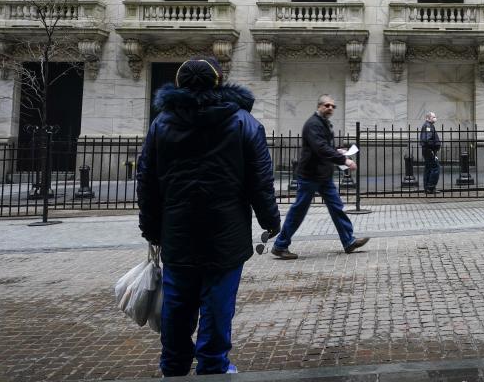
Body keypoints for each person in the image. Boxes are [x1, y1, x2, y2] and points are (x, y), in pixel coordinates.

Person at [137, 57, 281, 377]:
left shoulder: (162, 123)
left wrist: (151, 228)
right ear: (219, 82)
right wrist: (271, 221)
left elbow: (146, 181)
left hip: (178, 229)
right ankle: (213, 365)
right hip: (226, 230)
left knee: (177, 303)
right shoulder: (244, 121)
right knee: (217, 303)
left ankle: (173, 366)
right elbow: (260, 180)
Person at [271, 94, 370, 259]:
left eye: (332, 106)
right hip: (310, 175)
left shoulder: (324, 123)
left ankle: (349, 241)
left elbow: (324, 147)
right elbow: (320, 148)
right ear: (319, 106)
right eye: (326, 105)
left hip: (323, 175)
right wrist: (344, 159)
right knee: (299, 210)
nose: (330, 108)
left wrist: (337, 151)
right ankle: (280, 245)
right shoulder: (313, 124)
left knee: (336, 207)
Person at [419, 112, 441, 194]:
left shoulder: (429, 125)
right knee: (436, 168)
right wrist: (433, 148)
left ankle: (428, 188)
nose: (435, 118)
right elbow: (427, 140)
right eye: (433, 117)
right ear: (428, 118)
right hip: (429, 151)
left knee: (428, 169)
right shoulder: (428, 126)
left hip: (428, 150)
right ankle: (431, 187)